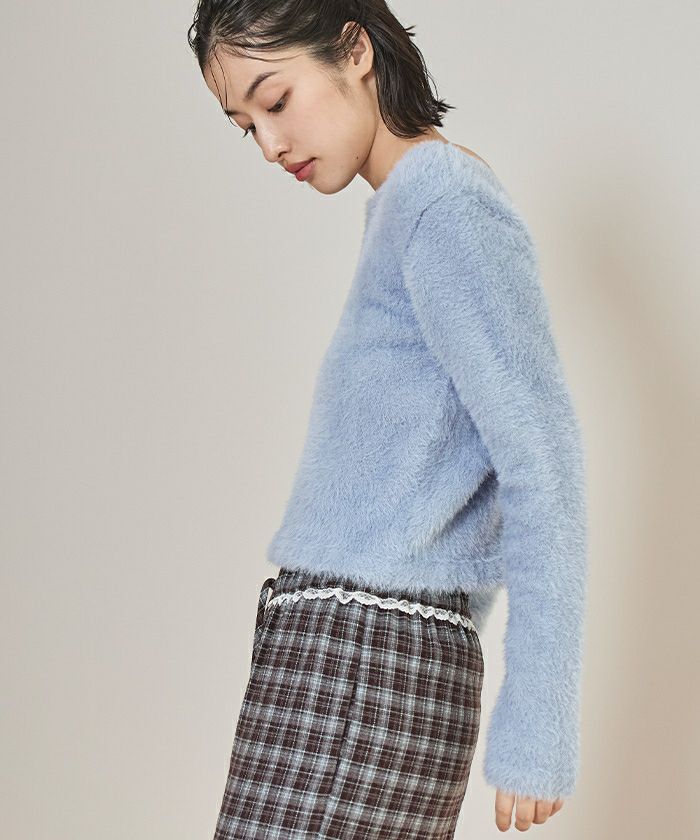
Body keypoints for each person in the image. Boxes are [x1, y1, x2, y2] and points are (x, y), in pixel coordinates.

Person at [188, 1, 588, 835]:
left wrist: (537, 724)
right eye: (245, 125)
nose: (269, 144)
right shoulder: (408, 207)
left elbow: (541, 460)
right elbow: (443, 483)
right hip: (352, 654)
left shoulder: (446, 208)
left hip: (359, 662)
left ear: (355, 50)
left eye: (275, 100)